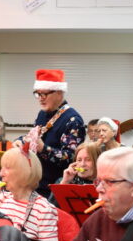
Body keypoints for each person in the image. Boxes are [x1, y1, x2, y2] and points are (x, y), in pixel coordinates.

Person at [14, 69, 85, 198]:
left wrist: (43, 149)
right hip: (36, 182)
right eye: (38, 94)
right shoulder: (42, 114)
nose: (41, 99)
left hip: (55, 188)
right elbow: (36, 137)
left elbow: (71, 158)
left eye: (45, 94)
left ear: (59, 93)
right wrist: (20, 140)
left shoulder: (73, 120)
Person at [0, 147, 60, 241]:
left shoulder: (43, 209)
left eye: (7, 168)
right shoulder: (1, 198)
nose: (1, 174)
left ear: (24, 172)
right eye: (1, 168)